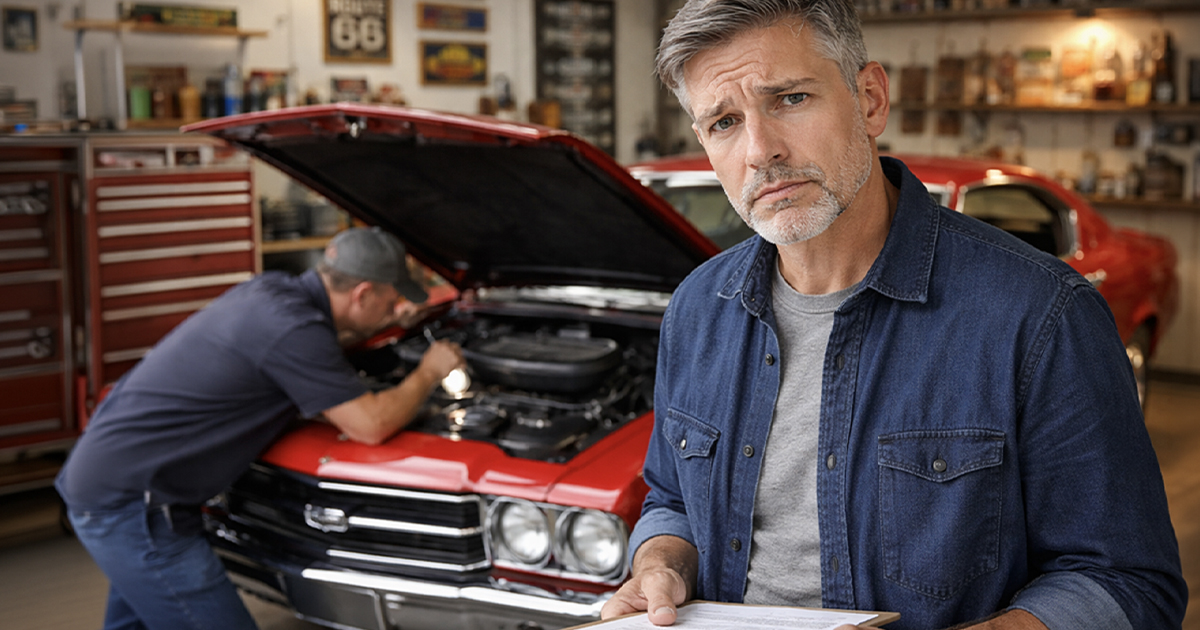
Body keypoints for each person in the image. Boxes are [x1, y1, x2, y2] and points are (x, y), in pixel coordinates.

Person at [600, 1, 1186, 629]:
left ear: (871, 100)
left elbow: (1125, 583)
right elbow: (671, 500)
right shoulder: (696, 309)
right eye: (724, 122)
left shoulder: (1041, 314)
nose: (760, 150)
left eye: (791, 99)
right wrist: (661, 565)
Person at [56, 227, 464, 630]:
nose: (395, 310)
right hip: (136, 508)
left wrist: (388, 324)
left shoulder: (273, 293)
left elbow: (307, 350)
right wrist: (428, 372)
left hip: (112, 481)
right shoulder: (293, 329)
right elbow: (370, 425)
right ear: (362, 294)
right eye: (391, 302)